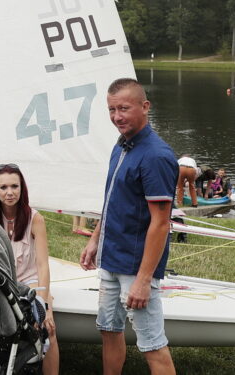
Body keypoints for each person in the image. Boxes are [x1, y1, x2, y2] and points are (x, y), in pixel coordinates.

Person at [79, 78, 177, 375]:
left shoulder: (156, 156)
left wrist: (144, 279)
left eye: (124, 108)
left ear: (145, 107)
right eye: (111, 109)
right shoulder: (122, 144)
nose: (117, 116)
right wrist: (96, 238)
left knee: (152, 344)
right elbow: (112, 200)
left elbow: (161, 224)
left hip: (135, 267)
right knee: (108, 330)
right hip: (111, 259)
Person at [0, 164, 59, 374]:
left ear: (22, 188)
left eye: (14, 186)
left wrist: (47, 307)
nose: (10, 192)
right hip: (0, 282)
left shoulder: (35, 219)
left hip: (30, 283)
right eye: (3, 187)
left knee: (49, 329)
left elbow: (42, 265)